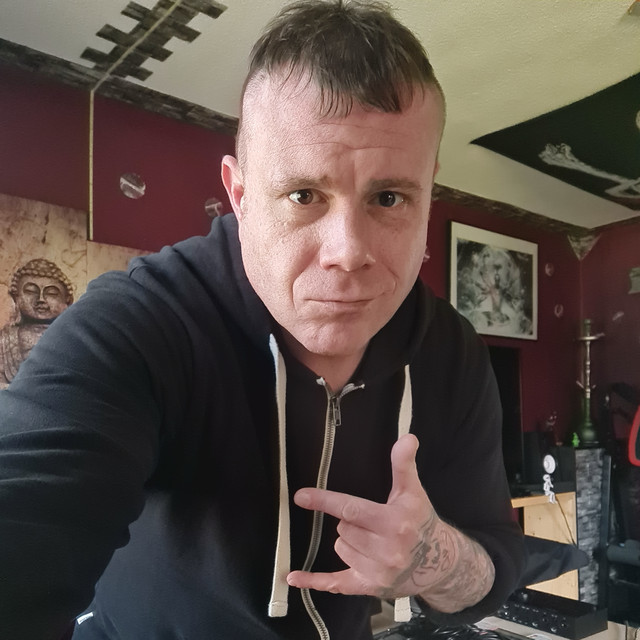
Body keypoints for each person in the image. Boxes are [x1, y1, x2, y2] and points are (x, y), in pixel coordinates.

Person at [0, 2, 524, 639]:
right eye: (303, 195)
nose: (348, 252)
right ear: (241, 195)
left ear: (427, 195)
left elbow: (495, 565)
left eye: (388, 197)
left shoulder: (451, 351)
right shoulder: (141, 324)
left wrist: (435, 559)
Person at [0, 258, 74, 387]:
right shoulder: (4, 339)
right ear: (16, 296)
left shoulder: (74, 340)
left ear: (66, 301)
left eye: (51, 293)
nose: (41, 299)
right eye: (30, 291)